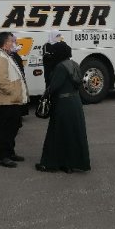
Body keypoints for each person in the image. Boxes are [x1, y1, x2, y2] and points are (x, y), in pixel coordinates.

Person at [36, 41, 91, 173]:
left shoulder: (60, 67)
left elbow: (54, 86)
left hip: (63, 103)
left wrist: (44, 95)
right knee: (72, 133)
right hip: (75, 102)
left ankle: (51, 163)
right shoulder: (75, 64)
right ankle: (70, 164)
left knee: (57, 134)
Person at [0, 32, 28, 168]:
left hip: (12, 100)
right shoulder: (0, 57)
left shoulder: (5, 55)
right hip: (6, 101)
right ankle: (3, 156)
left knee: (14, 127)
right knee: (7, 129)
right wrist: (14, 92)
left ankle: (10, 152)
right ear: (5, 43)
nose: (14, 43)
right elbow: (2, 81)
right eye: (11, 41)